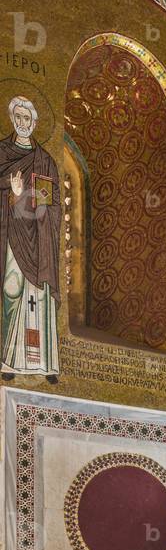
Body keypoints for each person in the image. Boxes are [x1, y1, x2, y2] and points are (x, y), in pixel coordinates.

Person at [0, 96, 61, 380]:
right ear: (13, 120)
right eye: (18, 118)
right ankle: (9, 359)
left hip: (39, 239)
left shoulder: (44, 161)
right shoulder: (2, 154)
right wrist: (11, 196)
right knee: (11, 290)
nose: (23, 123)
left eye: (28, 119)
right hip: (11, 234)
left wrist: (33, 202)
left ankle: (43, 365)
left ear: (34, 123)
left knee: (39, 298)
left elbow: (50, 203)